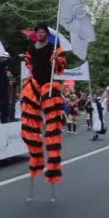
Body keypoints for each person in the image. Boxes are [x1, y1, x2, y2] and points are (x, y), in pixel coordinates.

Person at [19, 23, 66, 184]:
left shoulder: (53, 47)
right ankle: (36, 159)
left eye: (42, 32)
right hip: (34, 85)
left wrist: (57, 60)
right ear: (36, 34)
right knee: (28, 125)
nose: (40, 34)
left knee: (53, 128)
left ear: (46, 34)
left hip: (49, 85)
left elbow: (61, 66)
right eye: (37, 32)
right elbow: (29, 65)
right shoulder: (31, 49)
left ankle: (53, 168)